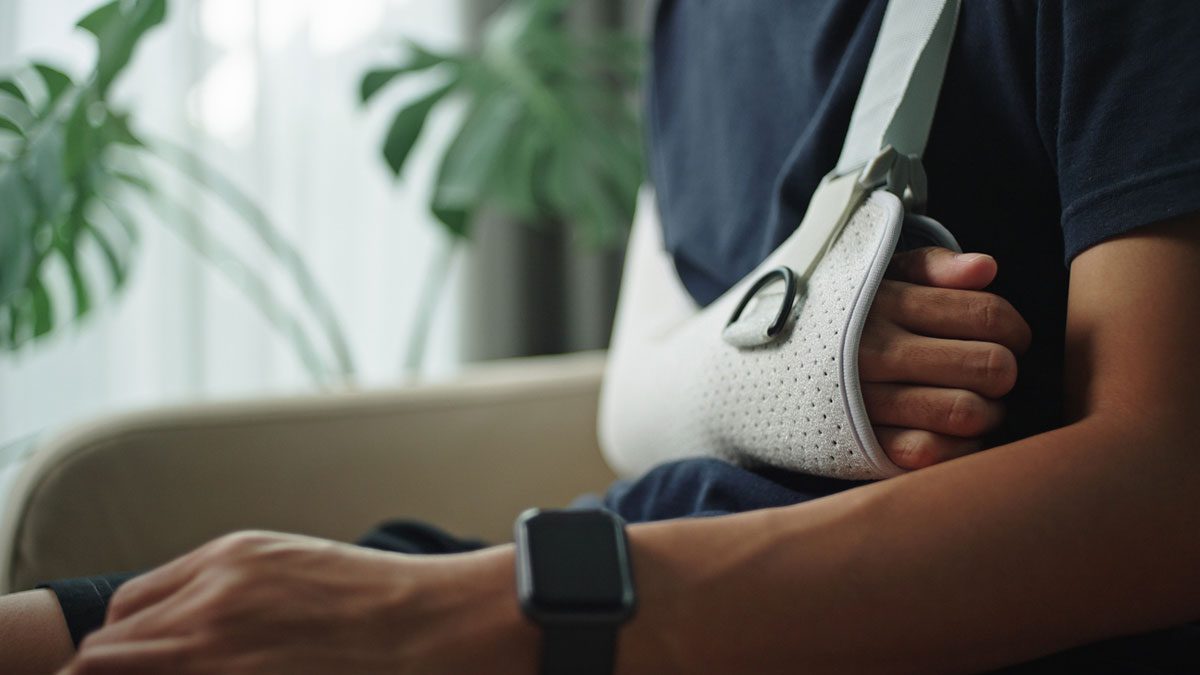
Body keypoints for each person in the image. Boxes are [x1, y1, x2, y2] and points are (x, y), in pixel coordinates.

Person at [3, 1, 1200, 672]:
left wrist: (515, 610)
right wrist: (788, 363)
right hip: (603, 567)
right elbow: (642, 402)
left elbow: (1169, 490)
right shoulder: (690, 22)